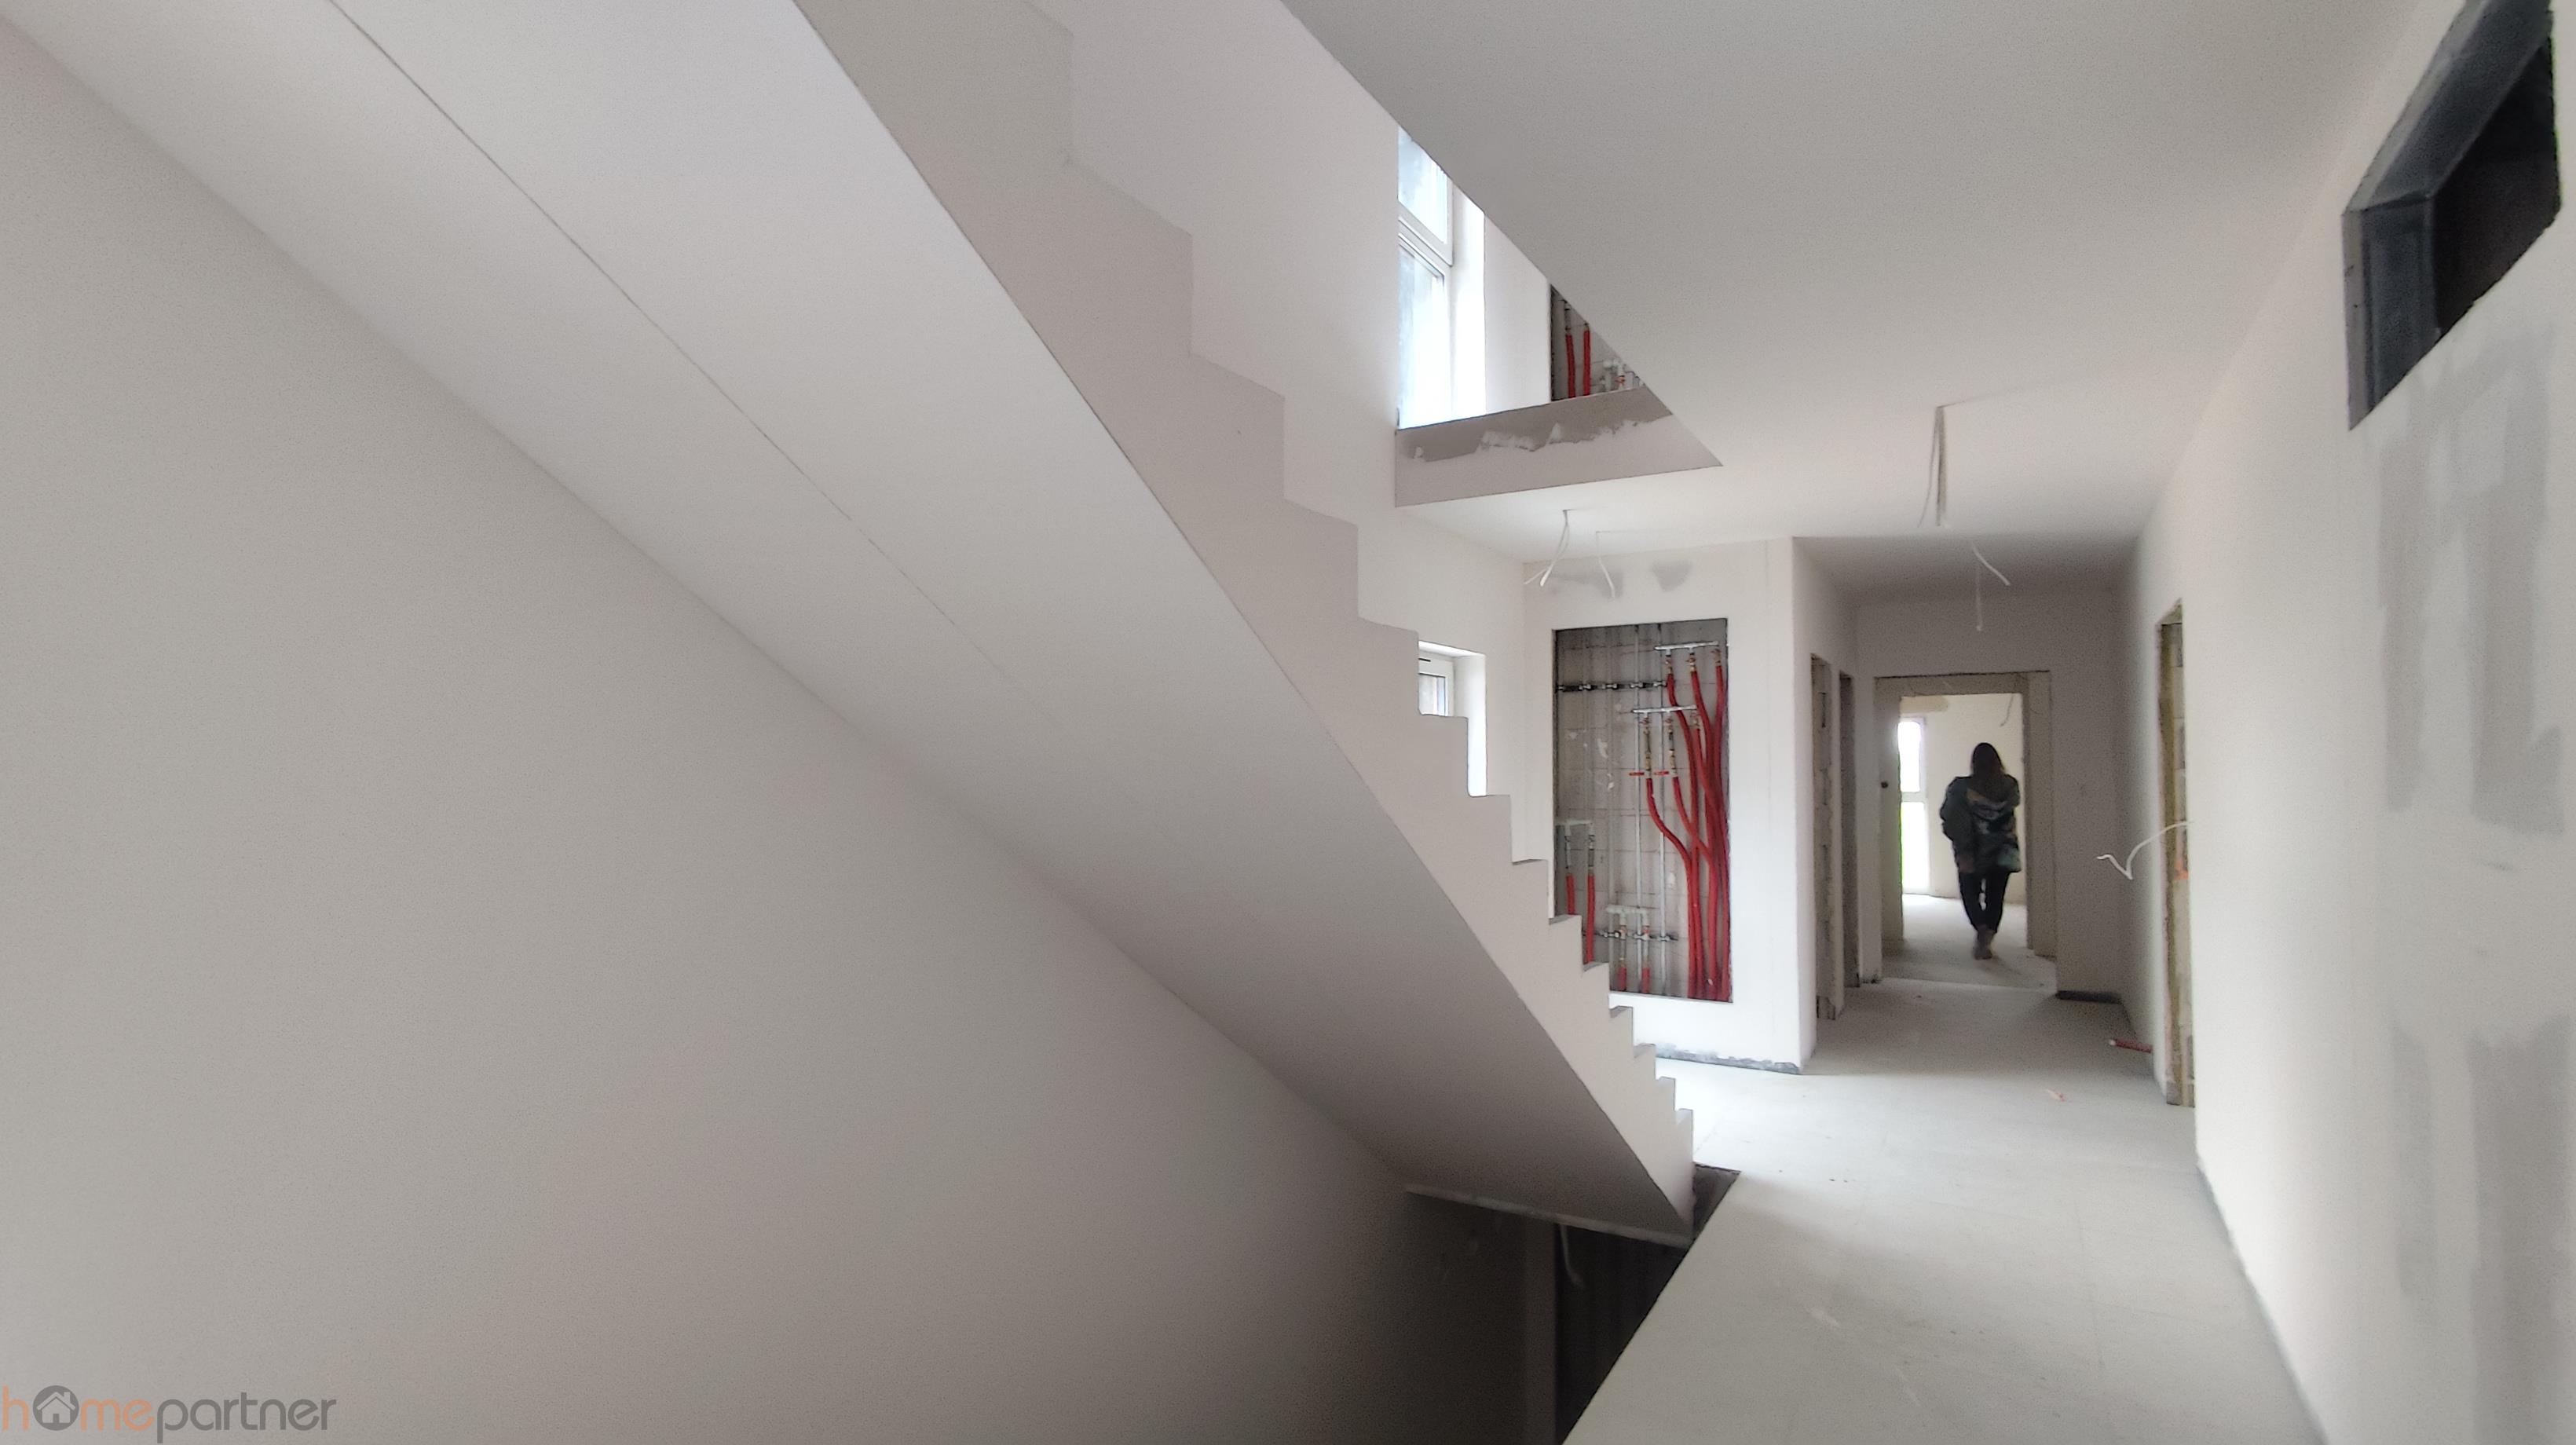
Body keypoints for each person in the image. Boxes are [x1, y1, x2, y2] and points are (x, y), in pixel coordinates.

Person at [1939, 742, 2022, 959]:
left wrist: (1961, 844)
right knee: (1996, 896)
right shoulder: (2010, 786)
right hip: (2003, 851)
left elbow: (1950, 816)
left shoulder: (1961, 788)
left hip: (1971, 849)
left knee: (1970, 893)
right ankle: (1988, 937)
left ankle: (1981, 929)